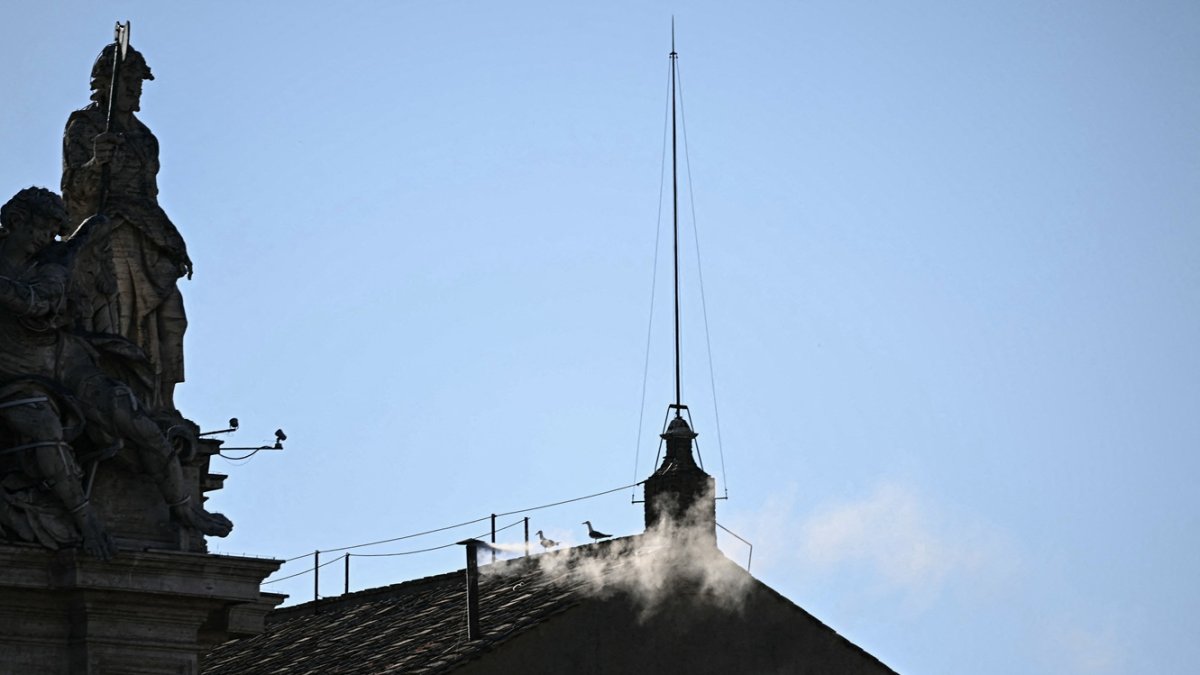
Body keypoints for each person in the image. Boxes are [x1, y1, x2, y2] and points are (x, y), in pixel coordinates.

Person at [0, 188, 229, 557]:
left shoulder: (55, 258)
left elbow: (39, 301)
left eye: (53, 231)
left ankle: (184, 506)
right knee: (42, 429)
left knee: (130, 414)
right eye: (41, 228)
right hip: (12, 375)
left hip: (64, 361)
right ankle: (87, 522)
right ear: (14, 222)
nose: (47, 238)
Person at [62, 43, 190, 411]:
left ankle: (163, 403)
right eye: (129, 81)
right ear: (105, 83)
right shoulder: (85, 125)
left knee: (172, 317)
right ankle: (124, 397)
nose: (135, 90)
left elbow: (151, 196)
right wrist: (93, 163)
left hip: (148, 232)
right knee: (122, 318)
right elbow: (72, 192)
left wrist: (173, 242)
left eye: (138, 82)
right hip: (109, 230)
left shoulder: (145, 138)